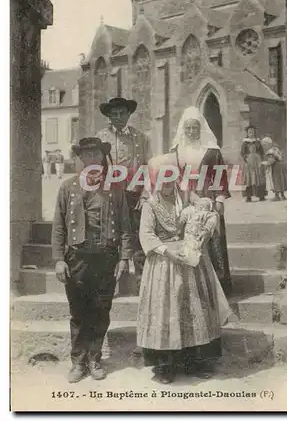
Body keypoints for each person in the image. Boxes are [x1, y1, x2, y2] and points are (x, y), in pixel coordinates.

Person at [137, 156, 232, 384]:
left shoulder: (187, 197)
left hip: (191, 258)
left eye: (171, 177)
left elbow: (208, 211)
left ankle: (196, 361)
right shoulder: (150, 205)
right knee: (166, 310)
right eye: (162, 178)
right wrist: (167, 252)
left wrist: (206, 230)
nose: (167, 182)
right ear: (155, 180)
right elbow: (146, 235)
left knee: (194, 308)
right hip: (164, 262)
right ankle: (165, 366)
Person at [52, 137, 133, 383]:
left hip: (106, 258)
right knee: (78, 312)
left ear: (102, 158)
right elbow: (58, 227)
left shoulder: (115, 188)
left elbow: (125, 226)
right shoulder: (68, 187)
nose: (92, 159)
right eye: (87, 155)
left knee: (101, 310)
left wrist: (124, 257)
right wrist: (58, 259)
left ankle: (95, 359)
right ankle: (78, 362)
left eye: (96, 155)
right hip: (76, 258)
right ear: (81, 159)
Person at [170, 106, 232, 297]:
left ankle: (217, 285)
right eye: (187, 128)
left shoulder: (212, 151)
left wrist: (220, 199)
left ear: (201, 128)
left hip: (208, 197)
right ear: (183, 129)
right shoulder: (176, 150)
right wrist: (187, 195)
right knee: (187, 237)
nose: (191, 132)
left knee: (211, 237)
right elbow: (173, 176)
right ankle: (191, 285)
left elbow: (220, 177)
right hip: (185, 198)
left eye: (194, 128)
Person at [96, 97, 150, 285]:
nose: (118, 117)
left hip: (133, 194)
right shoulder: (101, 137)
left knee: (137, 236)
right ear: (109, 116)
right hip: (110, 195)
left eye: (122, 113)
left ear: (128, 114)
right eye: (114, 114)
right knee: (111, 235)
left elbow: (146, 168)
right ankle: (112, 281)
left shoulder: (140, 138)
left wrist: (144, 194)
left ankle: (141, 280)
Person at [240, 125, 266, 202]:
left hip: (257, 161)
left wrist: (260, 158)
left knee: (259, 178)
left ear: (254, 133)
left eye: (252, 132)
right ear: (247, 133)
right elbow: (242, 153)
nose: (251, 133)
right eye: (249, 132)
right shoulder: (245, 143)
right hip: (249, 162)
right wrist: (246, 157)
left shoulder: (257, 141)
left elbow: (261, 151)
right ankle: (248, 196)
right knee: (249, 179)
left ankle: (261, 196)